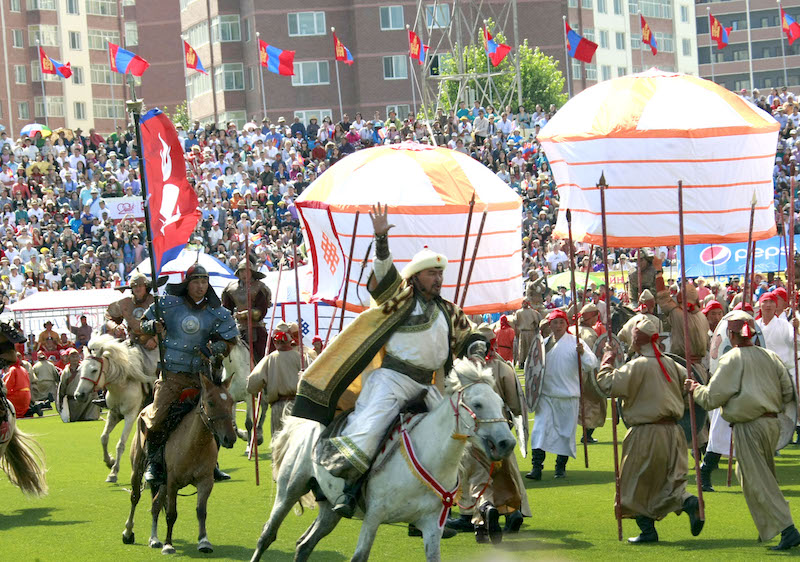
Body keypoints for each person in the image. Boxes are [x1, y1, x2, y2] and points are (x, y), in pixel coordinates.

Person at [295, 203, 487, 518]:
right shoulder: (399, 300)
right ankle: (349, 490)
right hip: (391, 381)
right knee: (369, 431)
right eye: (431, 273)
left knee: (451, 436)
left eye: (440, 273)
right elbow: (383, 278)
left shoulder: (449, 311)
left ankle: (435, 506)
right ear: (415, 277)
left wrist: (477, 348)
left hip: (428, 386)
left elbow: (468, 337)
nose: (437, 278)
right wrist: (381, 240)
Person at [687, 311, 800, 550]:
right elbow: (789, 393)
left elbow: (711, 398)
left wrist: (695, 388)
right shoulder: (770, 356)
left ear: (730, 335)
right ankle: (770, 525)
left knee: (758, 480)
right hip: (772, 424)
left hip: (749, 426)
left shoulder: (732, 359)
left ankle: (787, 529)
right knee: (751, 475)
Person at [596, 316, 703, 543]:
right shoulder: (672, 364)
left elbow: (607, 385)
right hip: (674, 433)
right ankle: (687, 501)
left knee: (634, 484)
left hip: (646, 433)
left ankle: (648, 530)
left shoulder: (637, 366)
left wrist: (607, 360)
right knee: (669, 481)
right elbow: (690, 391)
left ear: (636, 342)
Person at [139, 264, 239, 485]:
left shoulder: (217, 312)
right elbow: (143, 325)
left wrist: (217, 349)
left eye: (204, 282)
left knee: (217, 415)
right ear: (187, 284)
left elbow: (230, 339)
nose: (200, 287)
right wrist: (152, 326)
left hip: (202, 378)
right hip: (172, 376)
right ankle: (154, 464)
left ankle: (213, 465)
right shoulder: (166, 304)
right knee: (157, 418)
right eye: (196, 282)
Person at [447, 329, 530, 543]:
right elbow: (515, 404)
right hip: (502, 432)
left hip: (477, 433)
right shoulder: (503, 367)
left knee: (476, 480)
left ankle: (474, 517)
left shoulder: (462, 371)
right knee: (506, 476)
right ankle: (513, 513)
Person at [527, 309, 597, 480]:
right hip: (545, 396)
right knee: (539, 431)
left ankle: (560, 467)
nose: (558, 326)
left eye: (561, 322)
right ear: (549, 325)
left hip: (568, 396)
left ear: (566, 324)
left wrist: (582, 353)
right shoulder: (542, 345)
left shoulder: (576, 343)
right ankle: (536, 468)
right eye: (554, 323)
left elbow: (591, 363)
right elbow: (532, 368)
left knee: (566, 434)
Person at [246, 323, 309, 439]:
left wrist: (263, 389)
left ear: (275, 342)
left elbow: (252, 384)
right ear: (290, 340)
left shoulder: (270, 359)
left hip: (278, 408)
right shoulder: (301, 358)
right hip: (299, 406)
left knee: (279, 447)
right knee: (298, 444)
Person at [221, 256, 272, 363]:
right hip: (237, 329)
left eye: (247, 271)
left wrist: (244, 314)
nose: (244, 274)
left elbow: (261, 311)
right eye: (242, 271)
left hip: (256, 330)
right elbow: (226, 309)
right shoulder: (231, 288)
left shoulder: (259, 288)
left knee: (263, 359)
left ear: (252, 272)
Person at [105, 272, 160, 369]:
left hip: (153, 344)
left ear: (145, 287)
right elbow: (108, 317)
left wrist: (155, 339)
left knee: (153, 369)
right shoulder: (125, 303)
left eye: (140, 286)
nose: (137, 289)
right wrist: (115, 327)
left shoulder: (155, 302)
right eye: (134, 286)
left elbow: (166, 323)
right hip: (132, 343)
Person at [569, 303, 606, 444]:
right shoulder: (590, 334)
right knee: (594, 404)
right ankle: (587, 434)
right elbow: (591, 357)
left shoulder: (571, 330)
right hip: (586, 374)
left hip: (569, 374)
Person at [57, 347, 100, 422]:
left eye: (76, 356)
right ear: (69, 358)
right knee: (75, 419)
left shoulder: (85, 368)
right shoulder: (66, 372)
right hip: (73, 403)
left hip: (87, 399)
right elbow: (62, 388)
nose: (75, 359)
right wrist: (60, 403)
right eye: (72, 357)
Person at [513, 299, 539, 368]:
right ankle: (528, 362)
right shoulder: (533, 312)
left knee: (522, 347)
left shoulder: (518, 312)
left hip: (524, 332)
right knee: (529, 347)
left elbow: (515, 321)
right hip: (530, 331)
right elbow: (536, 321)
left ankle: (522, 362)